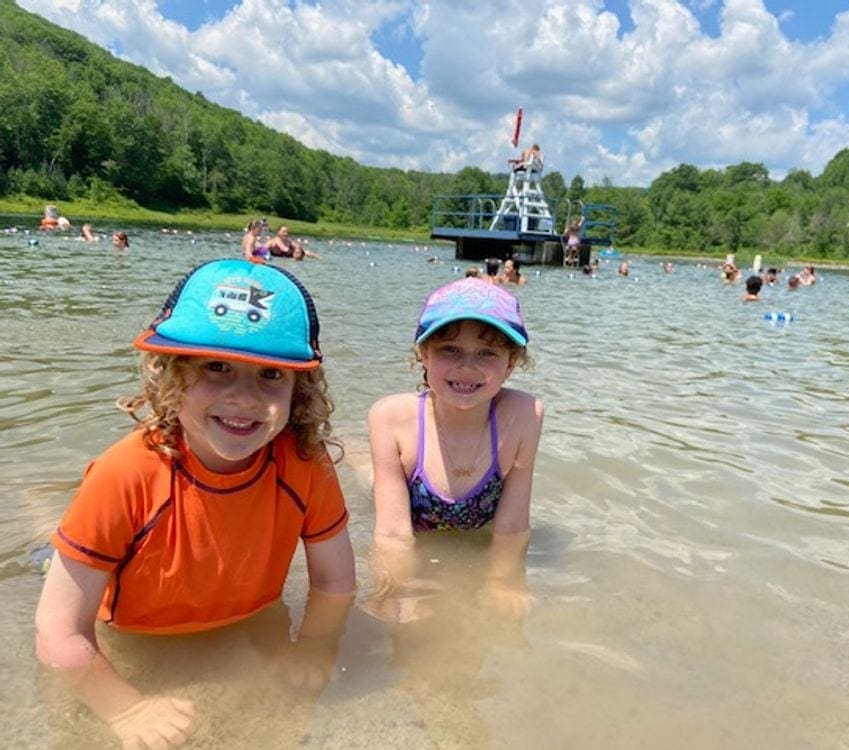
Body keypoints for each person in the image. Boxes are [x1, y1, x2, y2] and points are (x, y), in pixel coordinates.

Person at [34, 258, 356, 749]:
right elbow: (58, 634)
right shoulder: (125, 475)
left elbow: (335, 585)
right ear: (169, 377)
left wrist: (314, 645)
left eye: (271, 374)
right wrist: (127, 708)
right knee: (49, 559)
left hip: (239, 620)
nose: (244, 397)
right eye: (217, 367)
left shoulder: (306, 466)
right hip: (132, 628)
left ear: (300, 391)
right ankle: (37, 518)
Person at [366, 278, 544, 622]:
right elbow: (392, 534)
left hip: (475, 524)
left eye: (487, 353)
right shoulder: (390, 418)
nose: (467, 367)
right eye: (450, 349)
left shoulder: (524, 415)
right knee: (369, 480)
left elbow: (512, 526)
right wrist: (399, 587)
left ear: (510, 364)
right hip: (404, 502)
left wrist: (502, 581)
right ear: (424, 354)